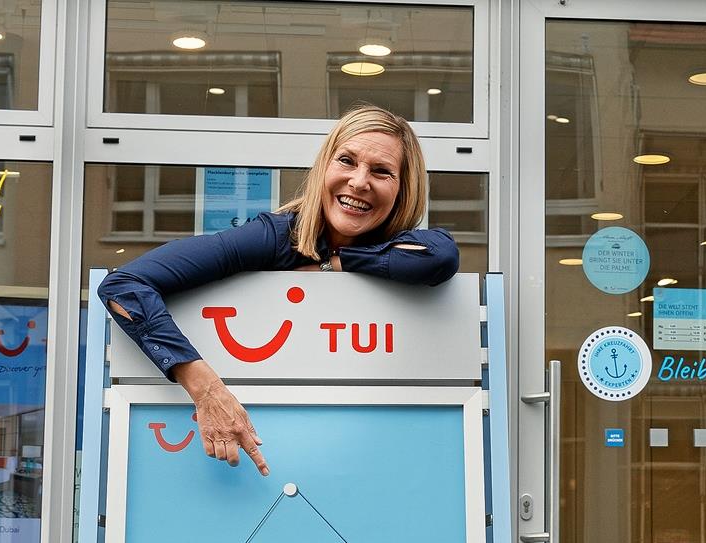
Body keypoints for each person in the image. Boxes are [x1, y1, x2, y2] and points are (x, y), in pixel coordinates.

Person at [99, 105, 459, 477]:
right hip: (257, 450)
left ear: (403, 189)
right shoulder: (276, 236)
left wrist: (333, 265)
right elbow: (124, 286)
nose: (359, 182)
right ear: (324, 167)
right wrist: (206, 390)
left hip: (374, 453)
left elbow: (440, 256)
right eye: (347, 161)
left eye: (381, 171)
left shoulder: (409, 247)